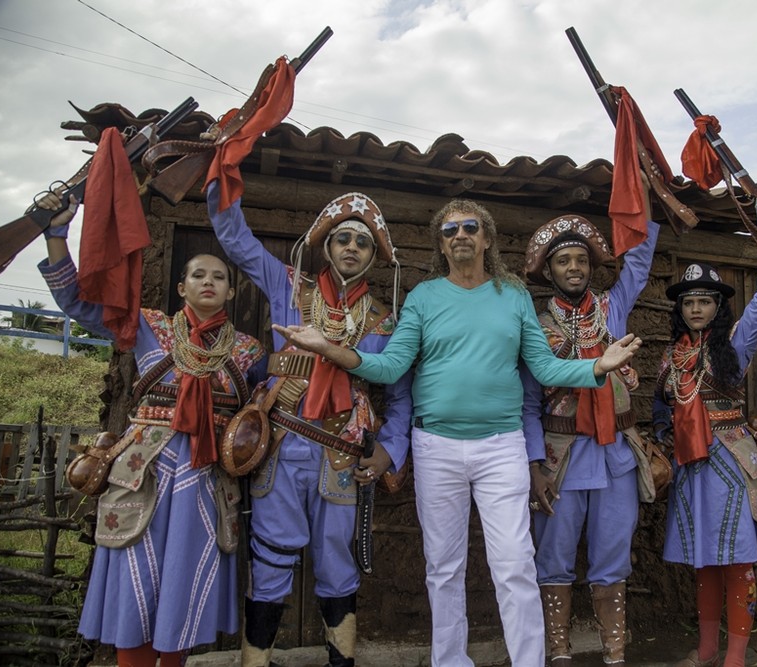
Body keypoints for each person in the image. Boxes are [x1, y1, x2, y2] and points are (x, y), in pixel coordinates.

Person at [272, 198, 642, 667]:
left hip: (502, 447)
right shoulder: (424, 297)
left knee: (514, 564)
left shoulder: (513, 295)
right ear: (441, 244)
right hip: (436, 446)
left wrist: (597, 367)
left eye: (470, 227)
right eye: (450, 230)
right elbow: (391, 367)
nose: (460, 235)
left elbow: (544, 366)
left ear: (486, 239)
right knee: (443, 567)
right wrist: (330, 348)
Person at [37, 193, 266, 666]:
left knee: (184, 580)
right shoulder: (148, 327)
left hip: (206, 480)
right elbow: (77, 303)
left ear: (231, 292)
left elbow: (274, 402)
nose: (208, 281)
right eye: (198, 275)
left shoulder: (249, 351)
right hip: (144, 473)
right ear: (182, 287)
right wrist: (55, 234)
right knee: (135, 576)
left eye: (218, 277)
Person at [206, 180, 412, 667]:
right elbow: (235, 238)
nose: (352, 247)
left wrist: (391, 449)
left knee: (338, 564)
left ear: (373, 257)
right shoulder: (288, 285)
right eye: (343, 238)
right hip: (281, 445)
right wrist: (222, 175)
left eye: (363, 243)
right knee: (270, 557)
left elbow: (401, 394)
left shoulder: (384, 322)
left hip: (342, 454)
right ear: (327, 245)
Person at [522, 186, 658, 665]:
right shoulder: (535, 325)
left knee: (613, 555)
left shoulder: (611, 309)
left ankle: (614, 654)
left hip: (616, 454)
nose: (575, 267)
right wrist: (534, 465)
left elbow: (638, 263)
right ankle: (558, 653)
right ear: (549, 271)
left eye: (581, 259)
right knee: (553, 556)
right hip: (560, 458)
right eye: (564, 261)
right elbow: (527, 405)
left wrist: (643, 192)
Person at [651, 197, 757, 667]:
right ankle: (707, 649)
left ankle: (736, 656)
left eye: (704, 301)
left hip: (729, 461)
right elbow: (661, 409)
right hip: (691, 466)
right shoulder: (671, 357)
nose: (696, 308)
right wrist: (662, 439)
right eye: (689, 302)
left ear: (718, 306)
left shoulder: (734, 344)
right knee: (704, 561)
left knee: (737, 560)